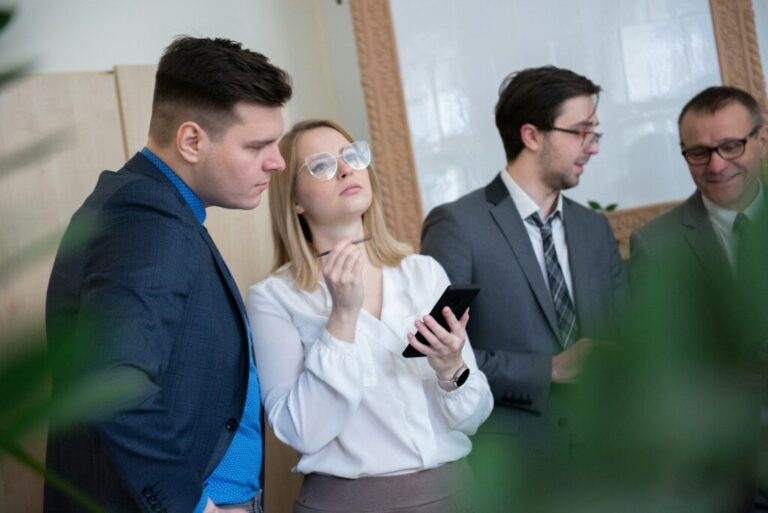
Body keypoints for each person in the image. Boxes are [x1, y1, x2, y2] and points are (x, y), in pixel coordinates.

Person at [44, 36, 291, 513]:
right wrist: (193, 507)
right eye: (258, 145)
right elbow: (114, 380)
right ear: (192, 140)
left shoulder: (153, 207)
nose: (277, 161)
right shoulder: (144, 217)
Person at [246, 119, 493, 513]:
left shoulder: (423, 272)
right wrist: (342, 318)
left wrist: (452, 370)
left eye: (352, 156)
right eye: (322, 165)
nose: (346, 169)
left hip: (457, 494)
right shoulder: (273, 298)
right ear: (294, 200)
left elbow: (473, 418)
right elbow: (300, 432)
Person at [420, 66, 627, 502]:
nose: (591, 147)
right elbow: (437, 351)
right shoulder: (458, 225)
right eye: (581, 132)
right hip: (513, 465)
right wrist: (549, 369)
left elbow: (623, 330)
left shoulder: (594, 228)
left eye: (595, 133)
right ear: (532, 135)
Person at [628, 86, 768, 512]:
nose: (717, 164)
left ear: (762, 139)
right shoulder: (655, 244)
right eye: (699, 152)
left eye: (730, 146)